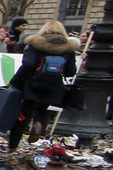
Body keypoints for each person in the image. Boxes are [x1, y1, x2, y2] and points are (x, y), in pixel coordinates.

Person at [5, 20, 76, 150]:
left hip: (32, 85)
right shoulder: (68, 49)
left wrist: (13, 81)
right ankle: (38, 123)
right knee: (42, 109)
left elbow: (27, 65)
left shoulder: (35, 44)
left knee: (23, 116)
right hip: (53, 86)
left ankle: (13, 146)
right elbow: (71, 72)